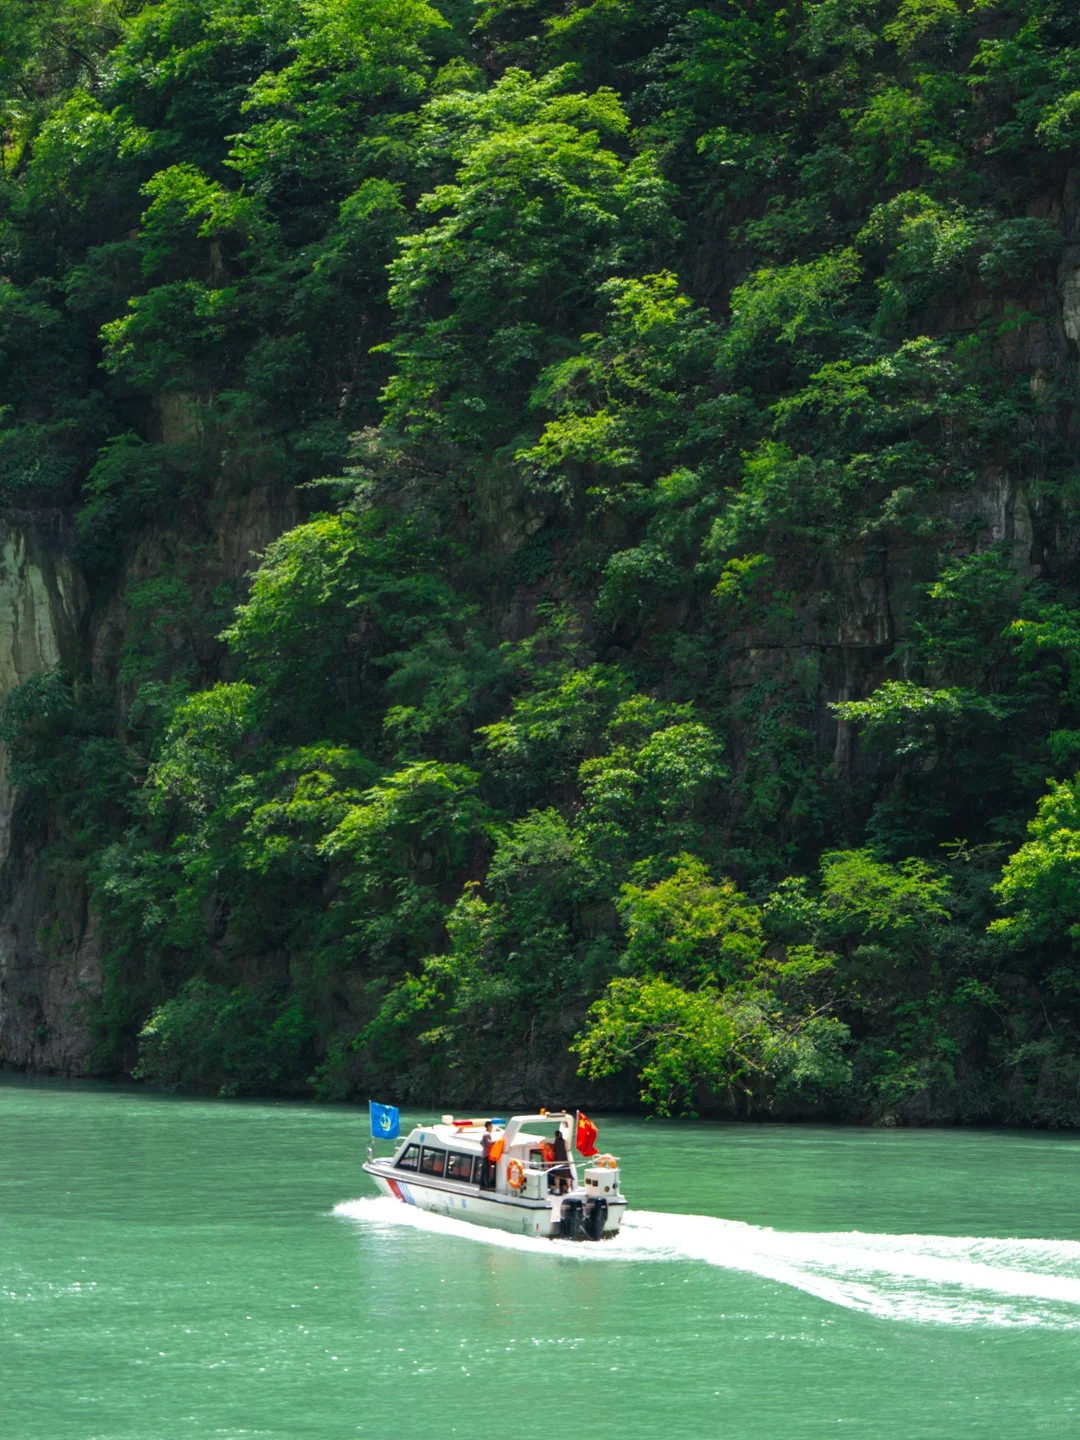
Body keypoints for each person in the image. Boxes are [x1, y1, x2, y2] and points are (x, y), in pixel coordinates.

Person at [550, 1128, 572, 1195]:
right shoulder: (564, 1141)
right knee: (567, 1175)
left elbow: (544, 1141)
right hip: (565, 1160)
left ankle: (557, 1189)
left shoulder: (554, 1140)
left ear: (555, 1135)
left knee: (557, 1176)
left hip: (558, 1160)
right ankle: (569, 1189)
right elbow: (567, 1148)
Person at [480, 1120, 496, 1190]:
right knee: (487, 1170)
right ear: (488, 1126)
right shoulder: (487, 1134)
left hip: (484, 1154)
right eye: (491, 1126)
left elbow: (481, 1142)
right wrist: (497, 1142)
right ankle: (487, 1185)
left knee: (484, 1170)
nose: (492, 1128)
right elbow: (489, 1143)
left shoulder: (484, 1134)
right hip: (486, 1155)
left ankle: (482, 1184)